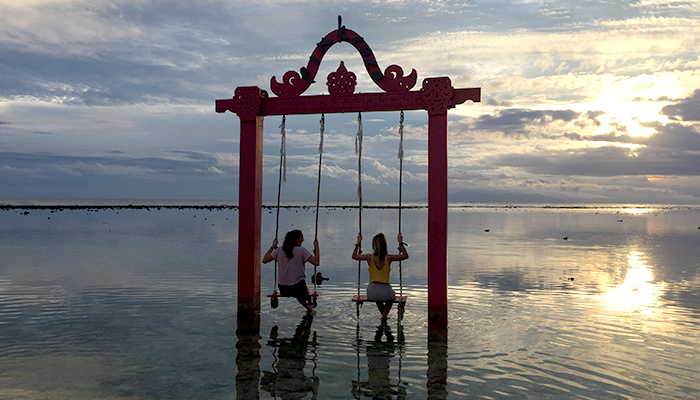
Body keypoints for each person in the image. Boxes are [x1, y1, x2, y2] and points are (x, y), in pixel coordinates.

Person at [352, 233, 408, 320]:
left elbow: (354, 256)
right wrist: (401, 243)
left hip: (371, 292)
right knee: (391, 296)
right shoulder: (388, 258)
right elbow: (405, 256)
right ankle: (384, 316)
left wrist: (358, 243)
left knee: (378, 298)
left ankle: (384, 317)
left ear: (373, 245)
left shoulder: (369, 257)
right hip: (385, 292)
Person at [263, 229, 320, 312]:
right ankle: (310, 303)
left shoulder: (279, 250)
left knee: (299, 290)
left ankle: (308, 307)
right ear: (296, 240)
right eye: (301, 238)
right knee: (304, 289)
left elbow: (264, 260)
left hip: (283, 289)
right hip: (298, 288)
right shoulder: (302, 250)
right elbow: (316, 262)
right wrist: (317, 249)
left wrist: (273, 247)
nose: (303, 240)